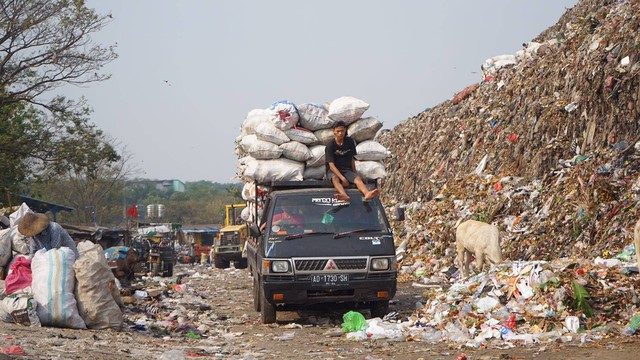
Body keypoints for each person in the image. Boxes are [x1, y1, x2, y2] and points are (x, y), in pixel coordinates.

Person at [325, 120, 379, 201]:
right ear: (334, 132)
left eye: (342, 131)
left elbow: (351, 159)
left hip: (346, 169)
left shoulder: (349, 142)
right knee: (335, 179)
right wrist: (342, 178)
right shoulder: (330, 146)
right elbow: (331, 165)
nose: (340, 133)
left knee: (358, 179)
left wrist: (355, 173)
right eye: (338, 131)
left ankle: (367, 193)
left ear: (345, 130)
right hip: (333, 171)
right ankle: (343, 194)